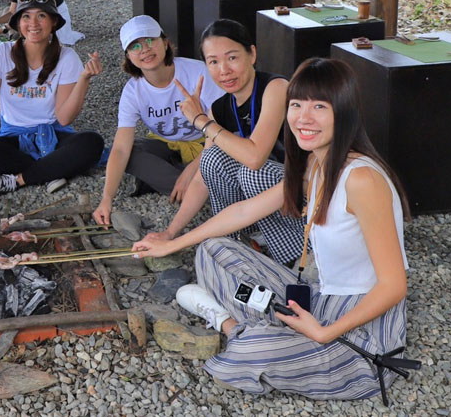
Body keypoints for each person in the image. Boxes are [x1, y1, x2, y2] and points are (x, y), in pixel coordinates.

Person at [133, 58, 410, 401]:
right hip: (317, 295)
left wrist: (324, 334)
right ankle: (266, 328)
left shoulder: (363, 179)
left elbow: (394, 285)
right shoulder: (316, 162)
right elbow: (246, 210)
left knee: (251, 353)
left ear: (344, 111)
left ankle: (230, 326)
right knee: (211, 249)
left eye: (319, 107)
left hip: (360, 329)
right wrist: (171, 243)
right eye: (296, 105)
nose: (303, 118)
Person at [152, 19, 303, 266]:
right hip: (265, 202)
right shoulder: (220, 108)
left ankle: (293, 257)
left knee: (252, 173)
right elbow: (203, 177)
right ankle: (234, 247)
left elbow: (255, 158)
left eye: (232, 58)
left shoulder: (275, 87)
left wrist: (202, 122)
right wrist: (170, 233)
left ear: (252, 54)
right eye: (213, 62)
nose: (224, 70)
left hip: (308, 195)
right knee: (212, 159)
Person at [0, 0, 104, 195]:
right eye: (26, 16)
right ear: (18, 23)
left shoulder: (67, 57)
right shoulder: (3, 52)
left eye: (41, 16)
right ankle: (51, 170)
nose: (33, 24)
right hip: (13, 138)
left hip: (54, 136)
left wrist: (84, 79)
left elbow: (63, 119)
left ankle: (18, 179)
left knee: (91, 142)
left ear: (53, 22)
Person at [93, 15, 223, 225]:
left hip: (211, 145)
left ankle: (191, 184)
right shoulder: (133, 91)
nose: (144, 49)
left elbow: (224, 130)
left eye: (150, 40)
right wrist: (106, 199)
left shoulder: (198, 72)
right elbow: (121, 148)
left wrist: (193, 169)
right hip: (169, 145)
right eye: (135, 45)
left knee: (227, 154)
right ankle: (199, 187)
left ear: (165, 42)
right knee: (130, 152)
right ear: (128, 55)